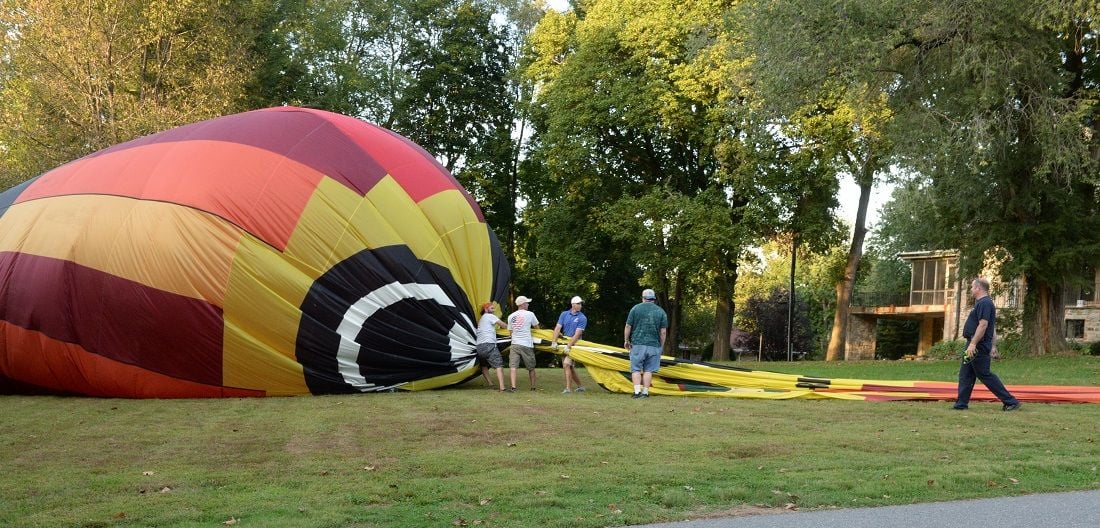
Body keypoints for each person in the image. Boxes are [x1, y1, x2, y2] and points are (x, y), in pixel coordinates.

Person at [953, 277, 1021, 411]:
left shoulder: (985, 303)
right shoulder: (981, 304)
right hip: (972, 344)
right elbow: (992, 327)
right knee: (966, 374)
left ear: (978, 288)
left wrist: (973, 344)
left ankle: (1010, 401)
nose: (971, 290)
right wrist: (993, 346)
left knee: (984, 374)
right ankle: (961, 404)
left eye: (972, 287)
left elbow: (983, 325)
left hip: (977, 345)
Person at [624, 288, 668, 399]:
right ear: (654, 299)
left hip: (638, 343)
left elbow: (628, 326)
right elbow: (663, 332)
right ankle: (645, 392)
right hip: (654, 345)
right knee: (648, 370)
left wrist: (626, 340)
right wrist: (661, 346)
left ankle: (637, 391)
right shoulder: (661, 311)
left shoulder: (635, 309)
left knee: (636, 369)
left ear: (643, 298)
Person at [552, 296, 588, 393]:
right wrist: (554, 341)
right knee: (569, 367)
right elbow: (558, 328)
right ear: (573, 305)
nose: (580, 305)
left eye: (581, 304)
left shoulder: (582, 318)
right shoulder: (564, 314)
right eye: (578, 304)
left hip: (575, 344)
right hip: (563, 343)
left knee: (566, 364)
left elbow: (577, 334)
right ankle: (580, 387)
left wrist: (569, 346)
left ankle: (568, 389)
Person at [506, 295, 540, 392]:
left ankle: (513, 387)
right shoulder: (530, 314)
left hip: (514, 344)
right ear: (522, 304)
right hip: (526, 344)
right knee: (531, 367)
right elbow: (537, 328)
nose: (528, 304)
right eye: (527, 303)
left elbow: (510, 332)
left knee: (513, 366)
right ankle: (533, 387)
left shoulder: (511, 316)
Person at [475, 301, 508, 392]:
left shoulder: (481, 319)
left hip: (479, 346)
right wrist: (513, 328)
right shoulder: (490, 316)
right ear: (486, 309)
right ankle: (502, 387)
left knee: (484, 365)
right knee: (499, 365)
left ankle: (490, 383)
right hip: (489, 344)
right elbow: (503, 325)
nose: (493, 310)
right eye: (492, 308)